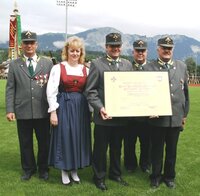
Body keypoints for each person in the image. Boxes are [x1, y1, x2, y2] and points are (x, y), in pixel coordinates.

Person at [85, 32, 133, 191]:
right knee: (100, 149)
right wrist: (100, 108)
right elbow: (90, 91)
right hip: (103, 116)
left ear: (121, 47)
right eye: (112, 46)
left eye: (118, 46)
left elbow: (130, 89)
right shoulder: (97, 64)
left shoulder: (127, 64)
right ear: (106, 47)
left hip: (121, 117)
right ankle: (99, 177)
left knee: (117, 147)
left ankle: (115, 174)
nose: (115, 48)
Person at [6, 30, 53, 180]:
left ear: (36, 44)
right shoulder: (14, 65)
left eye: (32, 42)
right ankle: (28, 169)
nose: (29, 45)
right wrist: (9, 109)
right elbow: (10, 88)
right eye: (26, 43)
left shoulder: (47, 63)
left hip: (42, 110)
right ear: (21, 45)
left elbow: (53, 87)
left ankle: (43, 169)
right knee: (25, 143)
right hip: (23, 110)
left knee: (44, 142)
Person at [143, 36, 190, 189]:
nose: (167, 50)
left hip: (175, 116)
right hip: (157, 117)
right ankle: (155, 176)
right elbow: (143, 93)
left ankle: (169, 177)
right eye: (164, 47)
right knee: (156, 150)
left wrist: (184, 114)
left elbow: (186, 93)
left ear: (173, 49)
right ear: (158, 49)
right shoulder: (148, 67)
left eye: (169, 48)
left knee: (172, 150)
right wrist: (149, 109)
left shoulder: (181, 66)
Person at [47, 36, 91, 185]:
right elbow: (51, 90)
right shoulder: (58, 68)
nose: (74, 54)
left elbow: (90, 91)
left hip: (80, 107)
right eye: (72, 50)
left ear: (81, 53)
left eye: (77, 51)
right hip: (64, 105)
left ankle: (74, 170)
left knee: (78, 136)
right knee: (65, 136)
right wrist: (53, 111)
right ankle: (64, 170)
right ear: (67, 51)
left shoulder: (85, 69)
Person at [124, 40, 151, 173]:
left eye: (143, 51)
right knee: (129, 142)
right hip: (130, 115)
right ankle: (130, 165)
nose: (140, 53)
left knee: (147, 143)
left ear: (147, 52)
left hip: (147, 115)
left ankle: (145, 165)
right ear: (133, 52)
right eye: (137, 51)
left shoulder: (153, 69)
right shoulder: (126, 67)